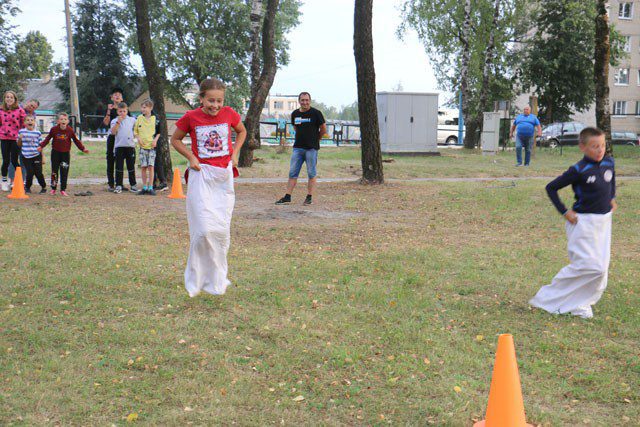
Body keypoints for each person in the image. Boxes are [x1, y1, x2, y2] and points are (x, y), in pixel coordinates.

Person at [170, 77, 247, 297]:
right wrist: (191, 157)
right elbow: (175, 139)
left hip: (223, 178)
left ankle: (216, 277)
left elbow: (242, 131)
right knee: (203, 230)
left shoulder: (229, 114)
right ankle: (198, 277)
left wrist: (235, 153)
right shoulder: (191, 117)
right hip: (201, 175)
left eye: (219, 101)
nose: (215, 105)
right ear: (201, 99)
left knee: (220, 230)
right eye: (211, 100)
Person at [529, 127, 617, 319]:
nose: (600, 150)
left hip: (603, 222)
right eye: (594, 146)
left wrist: (611, 197)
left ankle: (581, 303)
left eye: (602, 145)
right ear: (582, 147)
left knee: (601, 270)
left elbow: (611, 181)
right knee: (587, 266)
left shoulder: (609, 163)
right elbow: (551, 188)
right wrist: (564, 211)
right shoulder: (578, 170)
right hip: (583, 223)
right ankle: (546, 297)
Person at [275, 92, 326, 206]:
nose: (305, 102)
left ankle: (309, 197)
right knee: (292, 173)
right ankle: (287, 197)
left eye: (307, 100)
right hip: (298, 148)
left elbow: (323, 129)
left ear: (310, 101)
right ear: (299, 101)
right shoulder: (295, 114)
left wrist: (317, 139)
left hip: (311, 149)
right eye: (302, 100)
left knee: (311, 173)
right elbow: (296, 128)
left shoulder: (316, 113)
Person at [38, 112, 89, 196]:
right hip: (55, 153)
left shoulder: (70, 130)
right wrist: (41, 146)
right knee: (54, 172)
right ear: (58, 121)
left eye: (65, 119)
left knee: (64, 171)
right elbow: (47, 139)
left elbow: (76, 140)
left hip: (65, 154)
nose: (63, 121)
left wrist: (83, 149)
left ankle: (63, 189)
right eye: (61, 119)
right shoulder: (54, 129)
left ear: (68, 121)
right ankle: (53, 188)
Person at [0, 90, 26, 191]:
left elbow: (24, 124)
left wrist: (22, 135)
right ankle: (4, 181)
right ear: (4, 99)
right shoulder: (1, 110)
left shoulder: (20, 110)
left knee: (15, 161)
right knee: (6, 160)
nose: (9, 99)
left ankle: (18, 181)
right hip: (4, 138)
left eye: (11, 97)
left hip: (15, 138)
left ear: (15, 99)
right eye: (7, 97)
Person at [110, 102, 138, 194]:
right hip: (119, 146)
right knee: (119, 167)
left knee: (131, 166)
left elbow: (137, 130)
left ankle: (133, 185)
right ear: (117, 111)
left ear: (127, 111)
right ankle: (118, 185)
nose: (122, 113)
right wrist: (118, 122)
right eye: (120, 111)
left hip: (130, 146)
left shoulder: (132, 120)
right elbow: (113, 132)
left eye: (124, 111)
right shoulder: (114, 121)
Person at [134, 99, 160, 195]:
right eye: (142, 107)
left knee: (151, 167)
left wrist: (155, 140)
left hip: (151, 147)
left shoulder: (156, 119)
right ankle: (144, 187)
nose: (143, 109)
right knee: (143, 167)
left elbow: (159, 132)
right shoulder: (139, 118)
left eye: (145, 107)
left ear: (151, 108)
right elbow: (135, 131)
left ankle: (150, 187)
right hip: (142, 147)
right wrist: (138, 139)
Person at [102, 88, 125, 191]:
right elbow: (106, 123)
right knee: (110, 159)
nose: (117, 96)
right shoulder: (109, 109)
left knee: (120, 160)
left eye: (119, 94)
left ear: (122, 98)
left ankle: (119, 183)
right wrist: (109, 111)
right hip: (112, 137)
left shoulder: (125, 109)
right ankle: (111, 183)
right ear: (111, 98)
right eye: (115, 94)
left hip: (122, 137)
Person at [17, 115, 46, 194]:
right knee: (30, 172)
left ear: (34, 122)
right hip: (26, 156)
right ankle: (27, 187)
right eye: (28, 120)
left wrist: (43, 157)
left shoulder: (37, 133)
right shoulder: (21, 132)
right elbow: (19, 145)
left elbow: (41, 145)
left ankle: (43, 187)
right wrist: (20, 138)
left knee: (38, 172)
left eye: (32, 120)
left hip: (36, 155)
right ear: (24, 122)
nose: (30, 121)